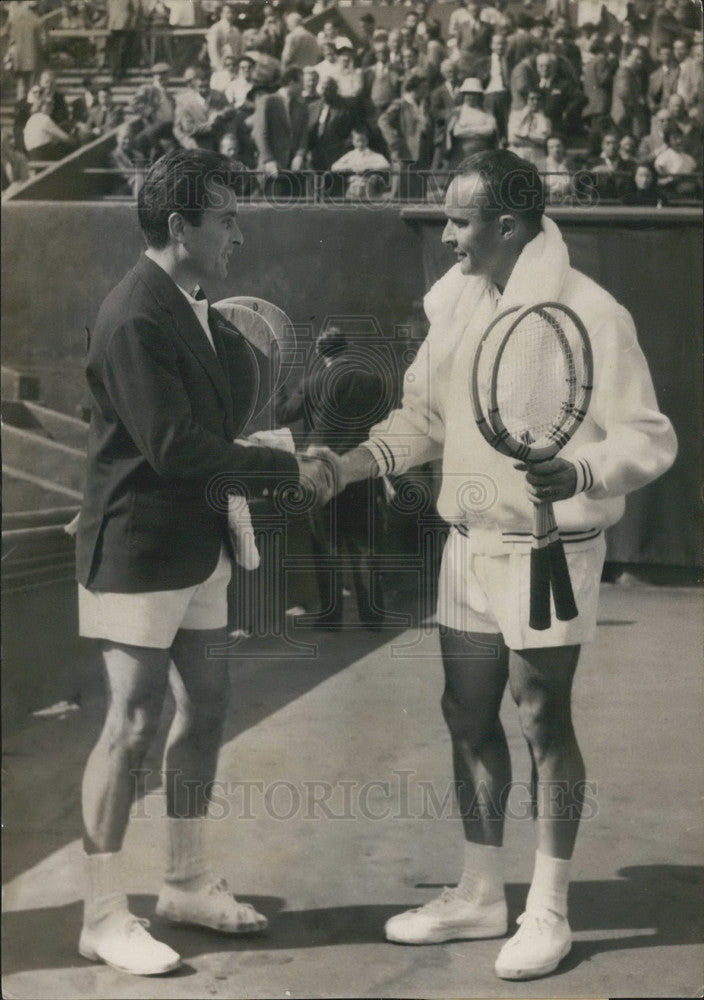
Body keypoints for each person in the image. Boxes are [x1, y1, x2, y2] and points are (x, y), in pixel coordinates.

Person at [322, 149, 677, 982]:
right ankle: (483, 891)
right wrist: (347, 466)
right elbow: (423, 421)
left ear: (508, 225)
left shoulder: (595, 312)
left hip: (548, 550)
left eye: (459, 220)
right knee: (465, 712)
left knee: (541, 716)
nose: (447, 236)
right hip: (467, 545)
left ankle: (548, 908)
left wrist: (583, 472)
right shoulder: (456, 308)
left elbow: (649, 437)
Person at [75, 148, 336, 976]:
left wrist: (273, 448)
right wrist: (285, 469)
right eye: (226, 217)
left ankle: (184, 881)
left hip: (198, 545)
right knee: (136, 721)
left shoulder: (192, 304)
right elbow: (176, 448)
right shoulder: (134, 316)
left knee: (209, 706)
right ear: (179, 225)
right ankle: (101, 915)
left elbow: (207, 440)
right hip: (137, 548)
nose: (239, 232)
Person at [276, 328, 391, 629]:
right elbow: (385, 424)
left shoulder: (312, 383)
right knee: (365, 547)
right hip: (362, 472)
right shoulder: (373, 382)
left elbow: (283, 415)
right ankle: (373, 616)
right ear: (346, 348)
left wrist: (279, 387)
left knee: (327, 546)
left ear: (320, 353)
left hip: (322, 474)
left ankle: (331, 618)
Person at [331, 124, 390, 200]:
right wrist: (351, 167)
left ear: (367, 140)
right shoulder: (350, 155)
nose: (361, 143)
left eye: (363, 140)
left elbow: (386, 165)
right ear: (353, 141)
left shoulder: (374, 155)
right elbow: (334, 167)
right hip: (353, 188)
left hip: (368, 189)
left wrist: (368, 167)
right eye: (358, 141)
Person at [507, 87, 551, 163]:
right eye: (532, 99)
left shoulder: (546, 120)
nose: (535, 102)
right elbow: (513, 139)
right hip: (518, 153)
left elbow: (543, 141)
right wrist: (535, 140)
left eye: (538, 99)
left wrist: (524, 137)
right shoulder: (515, 116)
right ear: (527, 100)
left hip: (537, 155)